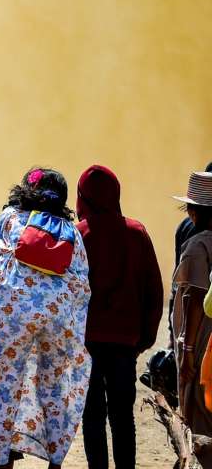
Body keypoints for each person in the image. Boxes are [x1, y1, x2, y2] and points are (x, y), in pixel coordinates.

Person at [0, 168, 92, 469]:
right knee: (54, 386)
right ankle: (55, 461)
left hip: (12, 312)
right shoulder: (71, 231)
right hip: (58, 317)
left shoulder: (10, 218)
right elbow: (82, 281)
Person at [77, 164, 163, 469]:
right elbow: (154, 290)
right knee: (123, 418)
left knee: (93, 417)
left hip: (86, 344)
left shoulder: (80, 235)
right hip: (126, 343)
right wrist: (145, 337)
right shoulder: (136, 233)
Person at [170, 172, 212, 444]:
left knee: (197, 413)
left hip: (201, 341)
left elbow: (193, 298)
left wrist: (186, 351)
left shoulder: (198, 246)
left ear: (195, 211)